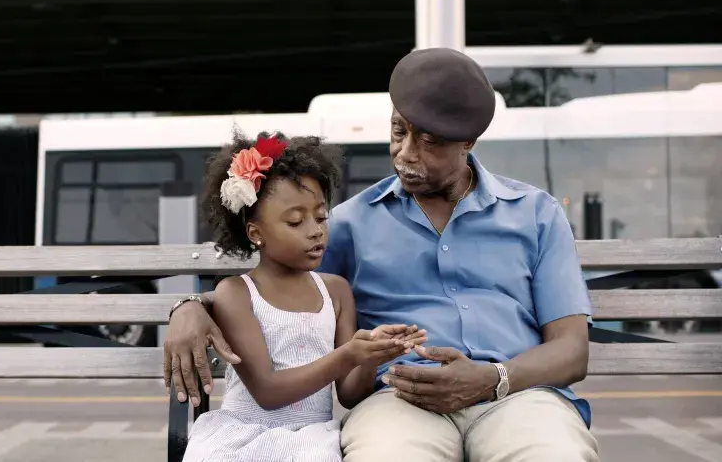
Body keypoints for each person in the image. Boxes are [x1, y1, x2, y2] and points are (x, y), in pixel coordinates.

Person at [164, 47, 600, 461]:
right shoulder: (348, 224)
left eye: (428, 142)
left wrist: (493, 378)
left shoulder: (536, 214)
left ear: (467, 141)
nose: (405, 153)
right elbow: (276, 286)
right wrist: (190, 307)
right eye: (398, 131)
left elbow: (571, 351)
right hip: (400, 402)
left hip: (517, 397)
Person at [178, 130, 428, 462]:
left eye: (321, 217)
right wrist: (347, 355)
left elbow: (350, 394)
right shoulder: (237, 293)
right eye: (295, 221)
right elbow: (268, 391)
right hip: (241, 436)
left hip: (310, 438)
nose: (315, 230)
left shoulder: (335, 291)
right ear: (256, 233)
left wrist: (368, 356)